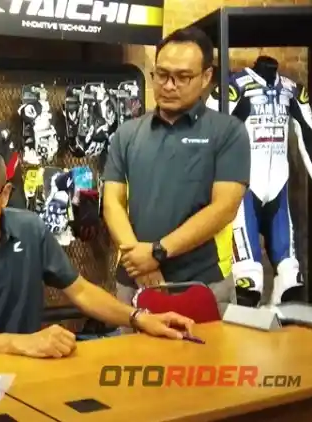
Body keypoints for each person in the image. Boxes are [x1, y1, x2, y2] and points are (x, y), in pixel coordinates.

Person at [0, 145, 195, 363]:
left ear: (5, 195)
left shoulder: (29, 229)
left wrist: (139, 317)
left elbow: (80, 291)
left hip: (27, 367)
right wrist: (26, 343)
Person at [102, 26, 250, 318]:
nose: (169, 85)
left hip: (202, 283)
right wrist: (139, 262)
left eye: (182, 77)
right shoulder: (127, 133)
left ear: (206, 77)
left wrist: (157, 253)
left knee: (209, 350)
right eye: (162, 75)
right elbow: (112, 203)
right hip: (135, 282)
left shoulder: (228, 132)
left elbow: (224, 207)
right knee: (131, 350)